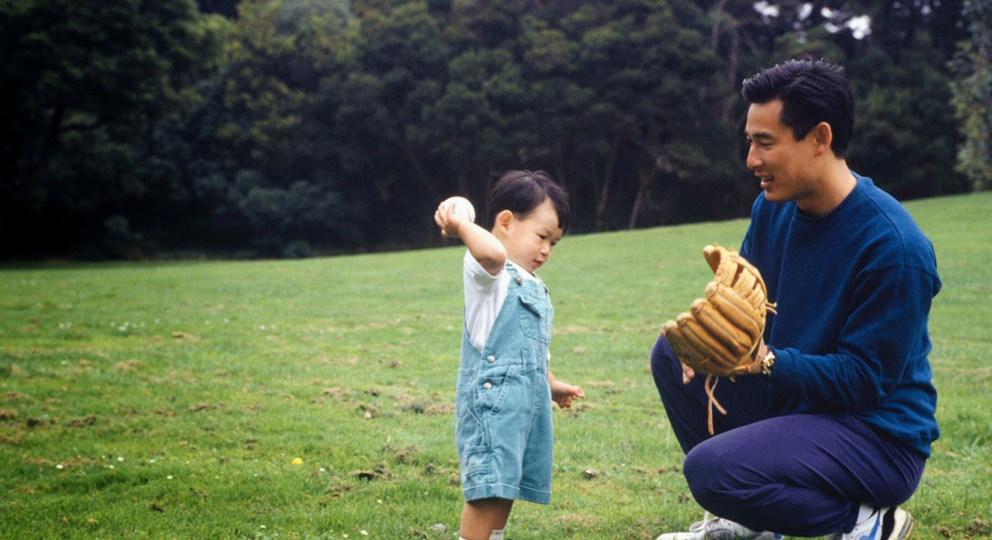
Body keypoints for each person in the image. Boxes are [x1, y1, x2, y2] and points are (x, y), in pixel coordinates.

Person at [650, 58, 940, 540]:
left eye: (765, 143)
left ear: (820, 138)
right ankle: (749, 522)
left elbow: (864, 383)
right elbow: (743, 304)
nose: (751, 160)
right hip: (800, 402)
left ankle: (865, 522)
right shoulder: (772, 209)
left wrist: (765, 361)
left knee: (710, 472)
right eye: (750, 142)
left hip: (876, 436)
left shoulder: (894, 248)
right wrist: (707, 342)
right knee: (671, 353)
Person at [435, 170, 585, 540]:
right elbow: (491, 251)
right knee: (487, 490)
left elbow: (533, 348)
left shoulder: (534, 285)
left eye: (555, 242)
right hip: (493, 405)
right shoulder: (489, 274)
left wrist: (550, 383)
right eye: (541, 236)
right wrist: (460, 224)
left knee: (506, 486)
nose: (547, 249)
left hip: (526, 406)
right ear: (505, 222)